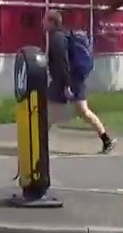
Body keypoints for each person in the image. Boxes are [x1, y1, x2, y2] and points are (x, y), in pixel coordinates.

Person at [44, 9, 116, 154]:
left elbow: (62, 62)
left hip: (65, 81)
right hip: (76, 80)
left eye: (45, 20)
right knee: (84, 111)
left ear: (52, 22)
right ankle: (106, 139)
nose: (43, 22)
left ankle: (38, 144)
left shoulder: (57, 38)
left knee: (47, 113)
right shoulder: (64, 35)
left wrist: (65, 85)